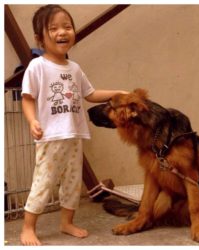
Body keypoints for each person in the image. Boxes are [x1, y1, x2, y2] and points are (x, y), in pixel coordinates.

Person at [20, 4, 127, 246]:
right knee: (43, 182)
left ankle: (66, 223)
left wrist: (116, 93)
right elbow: (27, 99)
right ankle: (28, 227)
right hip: (50, 137)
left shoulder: (74, 68)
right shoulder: (37, 66)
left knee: (72, 181)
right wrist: (32, 120)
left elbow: (91, 94)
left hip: (75, 135)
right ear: (40, 38)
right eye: (54, 28)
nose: (62, 32)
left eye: (67, 27)